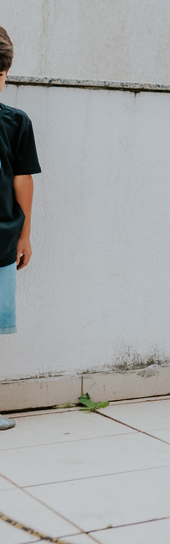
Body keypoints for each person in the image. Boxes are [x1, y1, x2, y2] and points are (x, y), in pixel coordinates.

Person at [0, 26, 40, 432]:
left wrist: (24, 236)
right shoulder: (15, 122)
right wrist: (25, 234)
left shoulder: (15, 122)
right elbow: (22, 181)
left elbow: (22, 180)